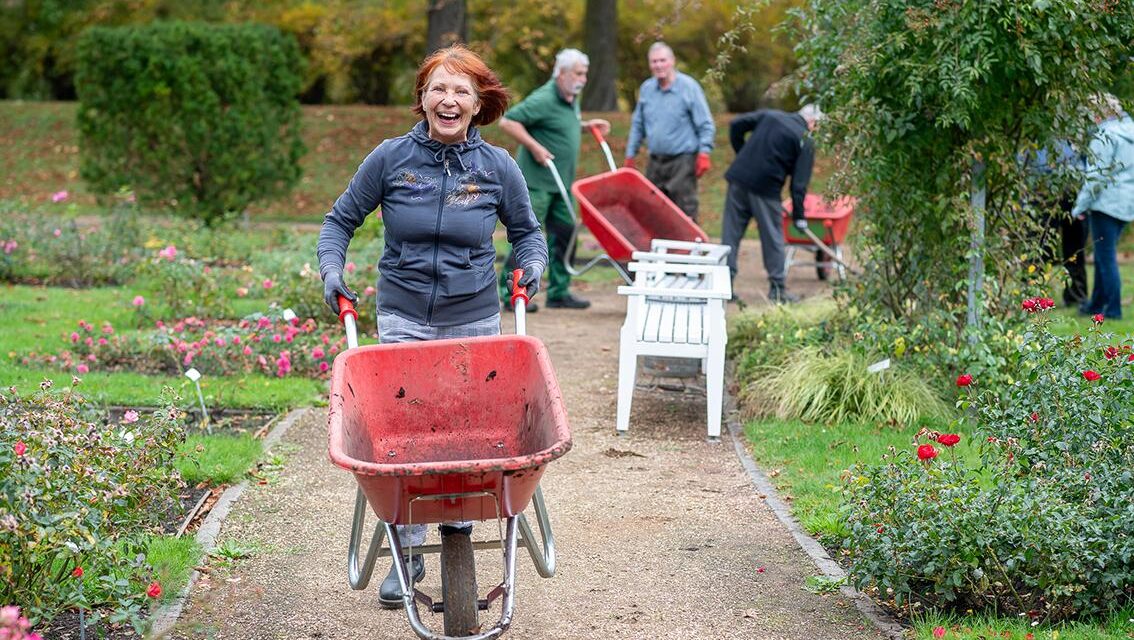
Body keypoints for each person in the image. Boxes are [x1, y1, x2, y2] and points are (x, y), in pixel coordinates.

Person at [316, 44, 548, 608]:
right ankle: (408, 548)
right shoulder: (390, 159)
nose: (449, 99)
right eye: (438, 88)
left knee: (467, 428)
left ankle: (458, 527)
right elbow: (339, 221)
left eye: (461, 91)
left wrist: (531, 266)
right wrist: (332, 271)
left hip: (474, 317)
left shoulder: (498, 167)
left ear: (478, 104)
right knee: (407, 430)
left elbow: (528, 233)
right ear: (422, 98)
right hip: (403, 315)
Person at [496, 48, 611, 310]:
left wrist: (586, 126)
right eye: (578, 74)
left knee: (566, 233)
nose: (583, 79)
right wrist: (535, 148)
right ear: (561, 74)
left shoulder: (570, 97)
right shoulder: (544, 98)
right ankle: (511, 294)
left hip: (561, 184)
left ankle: (559, 292)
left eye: (584, 74)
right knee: (526, 236)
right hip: (537, 184)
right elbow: (508, 122)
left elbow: (557, 125)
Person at [720, 105, 822, 304]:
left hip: (738, 180)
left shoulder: (771, 116)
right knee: (773, 238)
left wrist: (741, 153)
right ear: (813, 122)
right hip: (766, 190)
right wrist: (799, 217)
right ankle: (777, 289)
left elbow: (736, 124)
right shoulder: (805, 140)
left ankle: (724, 286)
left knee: (730, 234)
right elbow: (799, 185)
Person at [624, 42, 715, 220]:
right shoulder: (647, 89)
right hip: (655, 162)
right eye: (654, 61)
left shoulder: (689, 87)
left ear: (672, 61)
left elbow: (705, 124)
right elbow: (638, 124)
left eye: (662, 60)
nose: (658, 65)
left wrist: (704, 152)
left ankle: (688, 240)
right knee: (653, 212)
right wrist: (630, 155)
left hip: (682, 161)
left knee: (684, 212)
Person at [1073, 93, 1134, 320]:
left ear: (1099, 113)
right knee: (1102, 254)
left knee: (1106, 257)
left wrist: (1079, 206)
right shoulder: (1131, 131)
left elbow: (1096, 177)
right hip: (1127, 202)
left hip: (1107, 203)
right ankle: (1096, 304)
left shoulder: (1104, 135)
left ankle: (1114, 309)